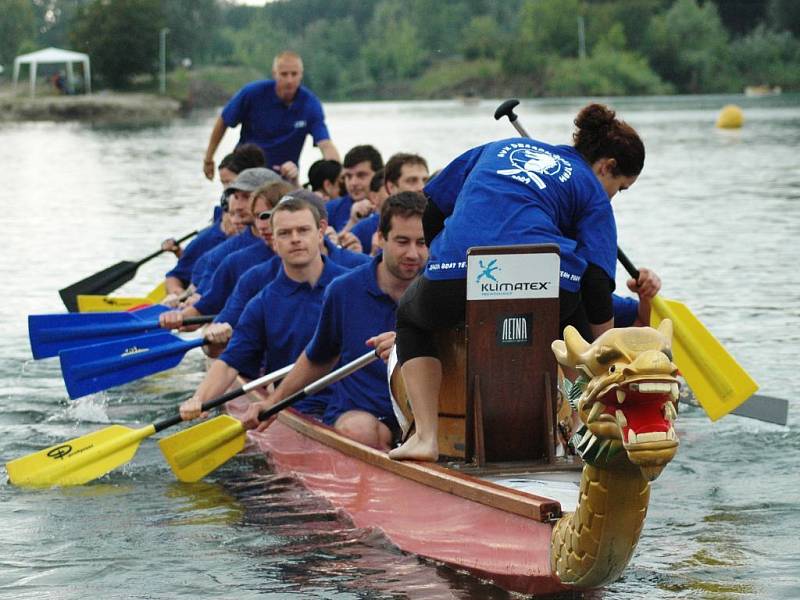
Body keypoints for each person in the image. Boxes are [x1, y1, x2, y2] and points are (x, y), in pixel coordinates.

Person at [390, 103, 645, 462]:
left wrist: (440, 266)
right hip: (546, 279)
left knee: (411, 318)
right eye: (621, 187)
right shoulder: (591, 190)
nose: (615, 196)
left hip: (464, 265)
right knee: (571, 330)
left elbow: (434, 208)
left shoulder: (494, 149)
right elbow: (596, 281)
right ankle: (581, 427)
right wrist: (601, 352)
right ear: (607, 167)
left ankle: (426, 439)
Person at [240, 192, 428, 451]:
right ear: (380, 238)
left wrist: (412, 343)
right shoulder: (344, 290)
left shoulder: (442, 290)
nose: (413, 253)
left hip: (427, 415)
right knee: (358, 431)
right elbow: (318, 357)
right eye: (402, 241)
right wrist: (274, 402)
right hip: (365, 414)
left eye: (422, 243)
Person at [177, 197, 348, 421]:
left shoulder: (352, 284)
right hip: (300, 408)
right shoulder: (263, 303)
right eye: (285, 233)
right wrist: (199, 400)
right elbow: (230, 362)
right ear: (273, 241)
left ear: (320, 232)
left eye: (303, 230)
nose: (295, 239)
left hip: (358, 407)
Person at [159, 180, 293, 329]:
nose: (261, 225)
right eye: (256, 217)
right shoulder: (235, 261)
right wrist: (178, 317)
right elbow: (204, 310)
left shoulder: (318, 258)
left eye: (266, 216)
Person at [202, 51, 340, 180]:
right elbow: (224, 120)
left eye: (294, 74)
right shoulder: (252, 93)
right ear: (274, 74)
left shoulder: (310, 104)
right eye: (284, 74)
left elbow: (325, 144)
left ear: (301, 75)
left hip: (283, 174)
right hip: (245, 171)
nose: (289, 80)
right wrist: (209, 158)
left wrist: (338, 174)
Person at [162, 145, 266, 303]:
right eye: (225, 184)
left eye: (230, 183)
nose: (226, 190)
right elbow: (179, 275)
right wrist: (179, 295)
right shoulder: (214, 242)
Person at [191, 168, 285, 296]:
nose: (238, 206)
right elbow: (203, 299)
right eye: (236, 197)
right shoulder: (223, 254)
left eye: (246, 197)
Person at [352, 153, 429, 254]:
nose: (422, 187)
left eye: (425, 180)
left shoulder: (441, 225)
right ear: (391, 187)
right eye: (412, 181)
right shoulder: (363, 229)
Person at [324, 145, 383, 233]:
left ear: (379, 174)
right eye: (348, 176)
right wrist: (352, 222)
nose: (353, 183)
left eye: (361, 175)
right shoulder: (330, 210)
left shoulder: (392, 209)